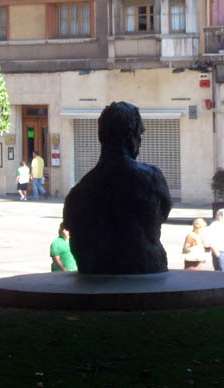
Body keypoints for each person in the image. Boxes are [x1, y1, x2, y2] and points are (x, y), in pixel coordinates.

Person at [63, 102, 172, 274]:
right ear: (130, 135)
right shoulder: (151, 177)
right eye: (139, 134)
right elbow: (163, 214)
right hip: (144, 275)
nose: (141, 141)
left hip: (96, 282)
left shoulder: (77, 193)